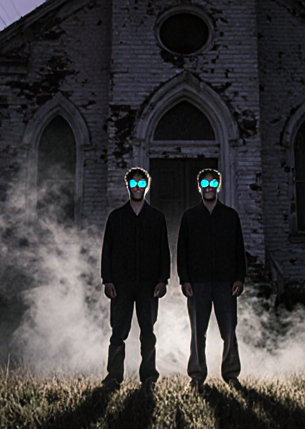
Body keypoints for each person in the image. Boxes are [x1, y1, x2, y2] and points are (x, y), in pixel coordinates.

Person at [100, 167, 169, 391]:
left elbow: (164, 251)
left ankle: (149, 377)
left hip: (149, 285)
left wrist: (163, 280)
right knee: (118, 332)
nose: (137, 188)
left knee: (148, 332)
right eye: (133, 184)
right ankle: (113, 377)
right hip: (121, 284)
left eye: (141, 184)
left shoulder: (157, 218)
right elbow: (107, 250)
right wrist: (107, 280)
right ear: (128, 186)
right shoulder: (116, 217)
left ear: (146, 187)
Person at [177, 168, 246, 389]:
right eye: (204, 182)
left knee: (229, 330)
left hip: (226, 283)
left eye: (213, 182)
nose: (209, 186)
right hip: (198, 284)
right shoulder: (190, 217)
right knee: (198, 332)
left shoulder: (230, 216)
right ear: (199, 187)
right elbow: (182, 251)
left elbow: (239, 249)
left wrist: (239, 278)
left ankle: (231, 374)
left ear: (218, 186)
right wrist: (184, 279)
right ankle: (197, 376)